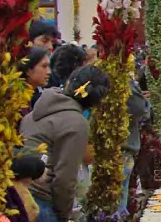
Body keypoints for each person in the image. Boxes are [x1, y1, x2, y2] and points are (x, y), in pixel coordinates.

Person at [21, 66, 110, 222]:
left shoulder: (43, 104)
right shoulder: (76, 122)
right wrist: (64, 214)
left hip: (21, 195)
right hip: (42, 201)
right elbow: (65, 178)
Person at [119, 77, 150, 217]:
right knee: (119, 195)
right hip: (122, 146)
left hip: (121, 145)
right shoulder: (120, 77)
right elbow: (140, 106)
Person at [19, 48, 51, 114]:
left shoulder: (30, 94)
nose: (49, 72)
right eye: (44, 66)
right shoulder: (17, 99)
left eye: (49, 66)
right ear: (28, 70)